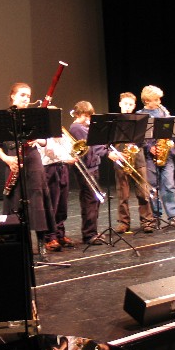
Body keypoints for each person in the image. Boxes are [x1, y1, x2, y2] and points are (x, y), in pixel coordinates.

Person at [0, 83, 60, 253]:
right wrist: (8, 159)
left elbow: (45, 140)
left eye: (28, 96)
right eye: (22, 95)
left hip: (33, 162)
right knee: (16, 202)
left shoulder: (34, 117)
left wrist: (38, 139)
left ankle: (40, 245)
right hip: (14, 163)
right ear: (13, 96)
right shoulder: (3, 118)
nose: (26, 99)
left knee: (37, 201)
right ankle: (19, 245)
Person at [137, 85, 175, 230]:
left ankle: (174, 216)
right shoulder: (140, 115)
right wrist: (149, 147)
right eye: (156, 100)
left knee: (169, 185)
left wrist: (171, 140)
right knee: (153, 188)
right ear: (146, 101)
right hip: (150, 157)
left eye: (159, 99)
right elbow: (139, 137)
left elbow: (171, 131)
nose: (159, 102)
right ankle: (155, 216)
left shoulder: (163, 112)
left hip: (166, 155)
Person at [108, 92, 154, 233]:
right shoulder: (113, 122)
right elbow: (107, 143)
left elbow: (145, 140)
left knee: (143, 192)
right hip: (121, 159)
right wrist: (111, 153)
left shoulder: (140, 120)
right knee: (123, 194)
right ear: (120, 104)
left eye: (130, 104)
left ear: (134, 106)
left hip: (138, 159)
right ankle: (123, 222)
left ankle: (147, 221)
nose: (128, 107)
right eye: (125, 104)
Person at [67, 101, 107, 245]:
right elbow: (93, 141)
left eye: (89, 116)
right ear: (77, 115)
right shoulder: (77, 127)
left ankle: (92, 232)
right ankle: (89, 234)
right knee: (89, 200)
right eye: (85, 116)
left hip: (93, 166)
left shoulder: (84, 126)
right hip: (85, 168)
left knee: (94, 201)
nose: (88, 119)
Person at [38, 119, 76, 249]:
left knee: (62, 205)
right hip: (50, 168)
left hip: (63, 168)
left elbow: (71, 148)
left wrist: (68, 157)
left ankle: (60, 234)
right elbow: (51, 152)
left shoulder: (62, 134)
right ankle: (50, 237)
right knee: (51, 204)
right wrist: (65, 158)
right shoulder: (42, 135)